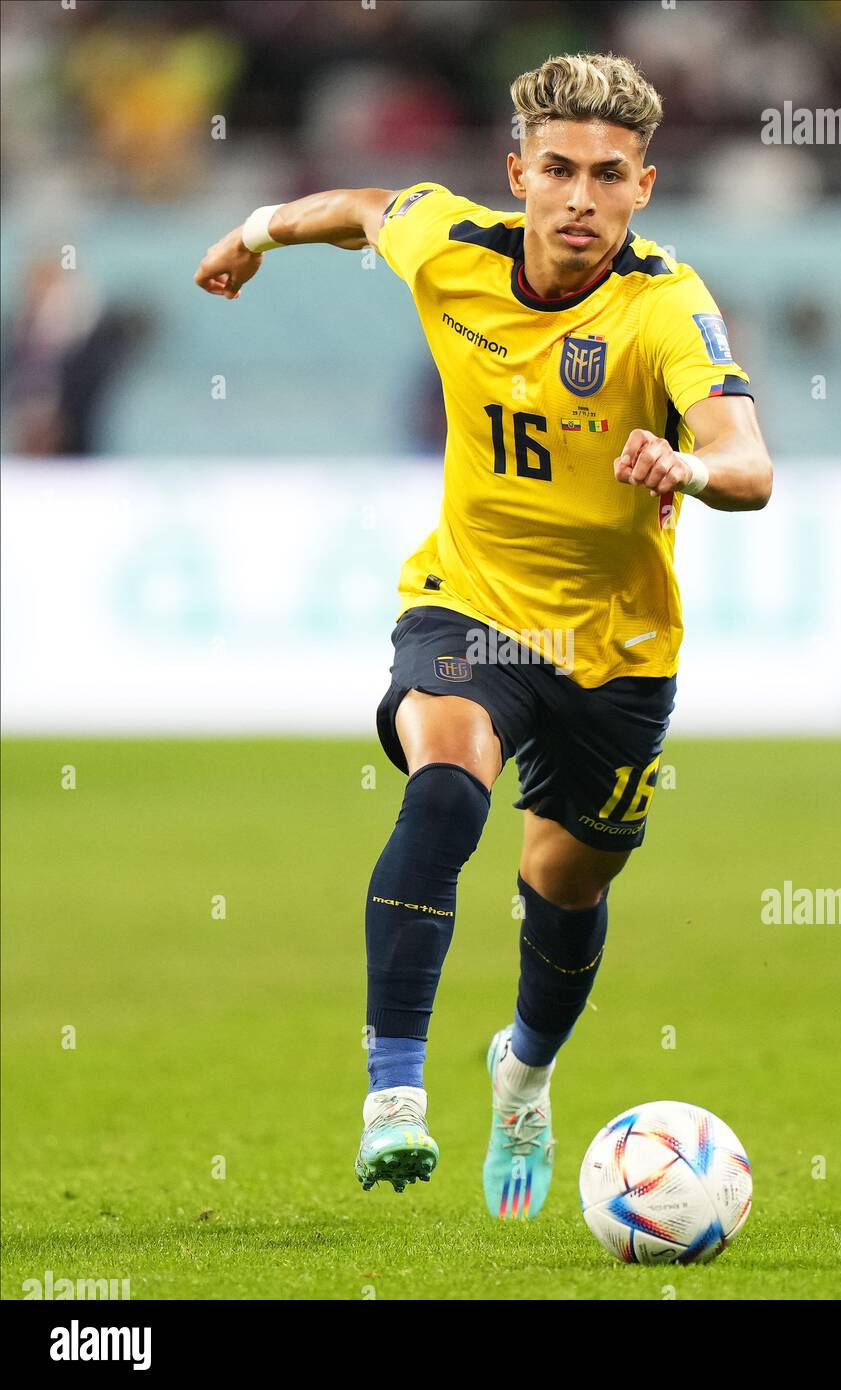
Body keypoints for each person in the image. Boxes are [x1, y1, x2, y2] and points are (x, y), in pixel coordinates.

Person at [195, 51, 772, 1222]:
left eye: (607, 175)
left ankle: (523, 1072)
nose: (578, 198)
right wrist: (256, 230)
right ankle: (393, 1095)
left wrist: (690, 466)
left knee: (564, 881)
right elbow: (358, 208)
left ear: (643, 187)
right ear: (516, 174)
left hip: (611, 651)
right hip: (469, 605)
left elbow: (750, 463)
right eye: (555, 170)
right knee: (446, 782)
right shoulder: (449, 243)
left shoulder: (664, 303)